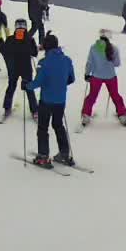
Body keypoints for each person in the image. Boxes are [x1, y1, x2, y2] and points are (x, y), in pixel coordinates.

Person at [30, 33, 76, 167]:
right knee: (58, 125)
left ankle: (43, 156)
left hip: (46, 100)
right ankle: (64, 153)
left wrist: (27, 85)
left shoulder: (43, 63)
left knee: (43, 128)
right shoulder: (67, 60)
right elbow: (71, 78)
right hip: (61, 100)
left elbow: (38, 82)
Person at [81, 29, 126, 127]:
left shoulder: (93, 47)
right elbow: (117, 64)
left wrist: (86, 73)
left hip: (96, 76)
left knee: (92, 96)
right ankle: (122, 114)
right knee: (115, 95)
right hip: (111, 76)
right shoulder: (114, 48)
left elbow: (90, 62)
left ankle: (86, 115)